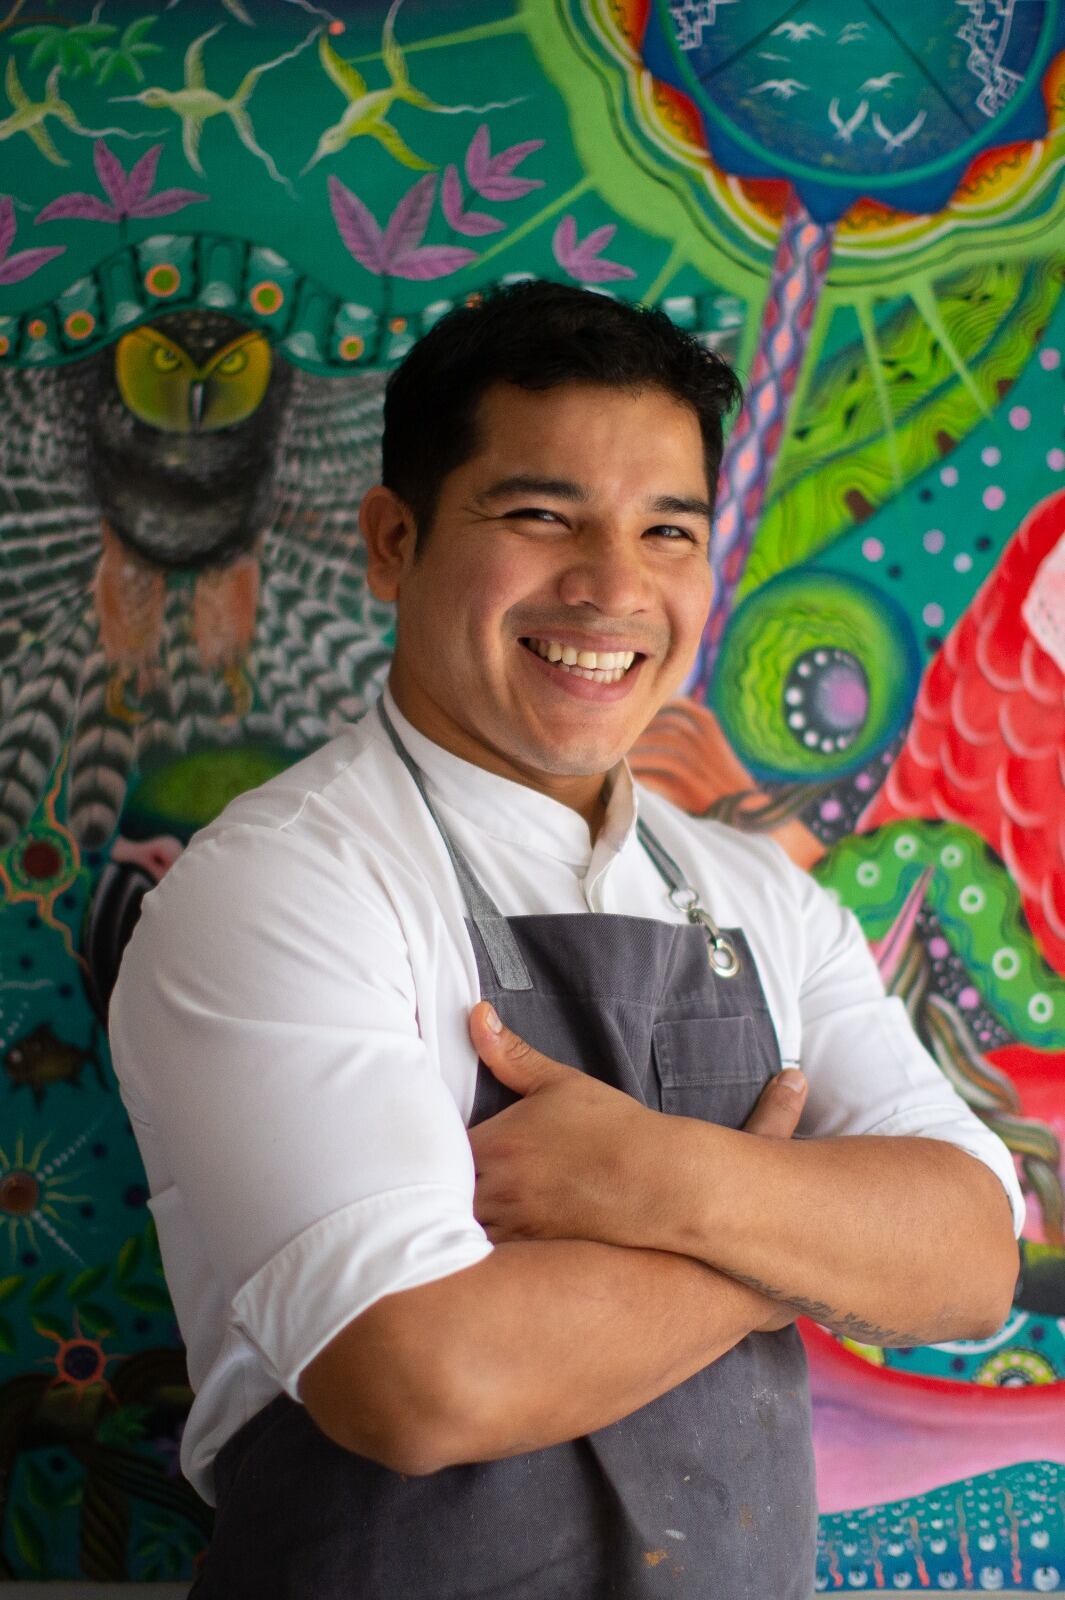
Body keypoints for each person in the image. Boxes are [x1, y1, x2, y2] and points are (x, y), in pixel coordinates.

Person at [109, 280, 1024, 1600]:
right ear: (390, 541)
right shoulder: (283, 885)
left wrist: (656, 1177)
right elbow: (422, 1379)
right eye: (539, 516)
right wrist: (789, 1257)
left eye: (666, 530)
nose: (610, 589)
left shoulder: (761, 898)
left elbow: (969, 1260)